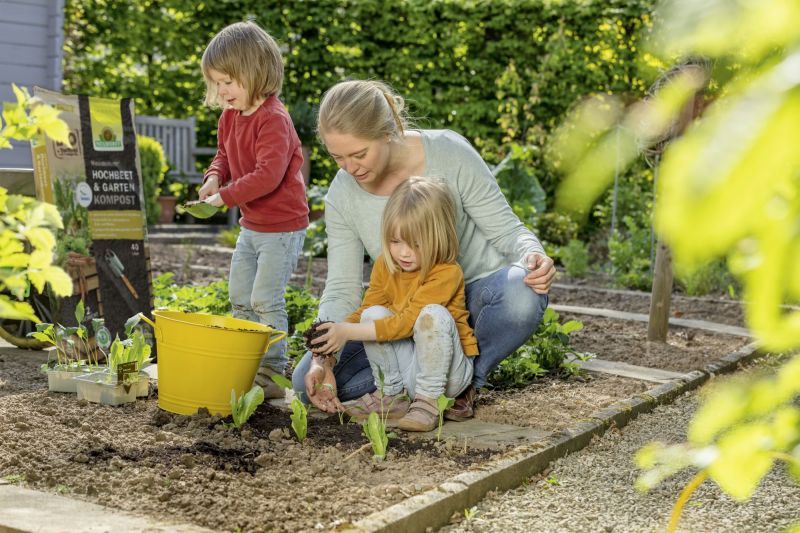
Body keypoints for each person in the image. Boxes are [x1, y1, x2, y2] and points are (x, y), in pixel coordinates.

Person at [291, 79, 555, 418]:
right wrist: (322, 357)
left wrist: (533, 254)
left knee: (523, 292)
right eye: (337, 157)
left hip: (468, 304)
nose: (350, 168)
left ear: (388, 132)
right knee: (305, 382)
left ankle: (462, 385)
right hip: (399, 314)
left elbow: (508, 230)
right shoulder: (343, 193)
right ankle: (413, 387)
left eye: (359, 154)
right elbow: (342, 288)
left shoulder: (448, 152)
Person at [309, 176, 477, 431]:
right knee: (372, 314)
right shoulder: (386, 266)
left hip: (447, 376)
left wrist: (348, 333)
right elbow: (366, 311)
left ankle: (430, 402)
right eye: (395, 241)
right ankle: (391, 396)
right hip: (413, 368)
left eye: (416, 244)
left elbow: (407, 322)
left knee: (432, 314)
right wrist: (330, 340)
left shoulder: (446, 272)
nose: (404, 252)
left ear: (439, 237)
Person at [198, 21, 308, 398]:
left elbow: (268, 175)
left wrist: (226, 197)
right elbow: (224, 155)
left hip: (282, 226)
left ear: (256, 71)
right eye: (216, 83)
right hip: (252, 225)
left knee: (265, 299)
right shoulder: (228, 117)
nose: (222, 91)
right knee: (240, 295)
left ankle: (274, 372)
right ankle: (247, 363)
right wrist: (215, 177)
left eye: (229, 81)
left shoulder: (274, 119)